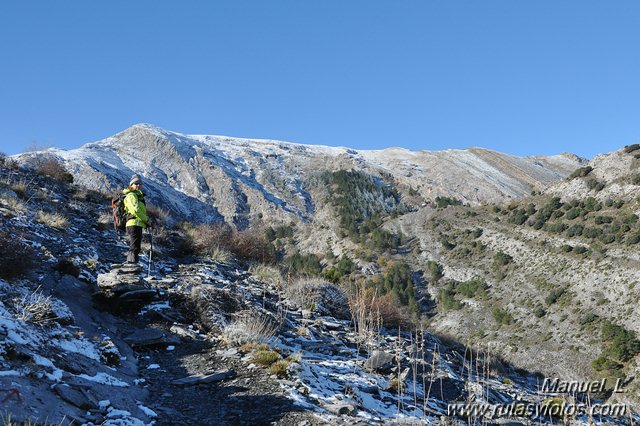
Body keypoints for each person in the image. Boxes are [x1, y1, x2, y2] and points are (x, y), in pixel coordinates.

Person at [123, 174, 149, 264]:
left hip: (137, 223)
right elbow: (135, 210)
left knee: (136, 245)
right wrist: (146, 219)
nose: (138, 185)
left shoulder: (138, 196)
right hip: (133, 223)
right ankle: (131, 265)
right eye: (136, 183)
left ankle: (132, 266)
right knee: (134, 246)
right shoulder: (131, 195)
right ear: (131, 185)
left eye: (139, 184)